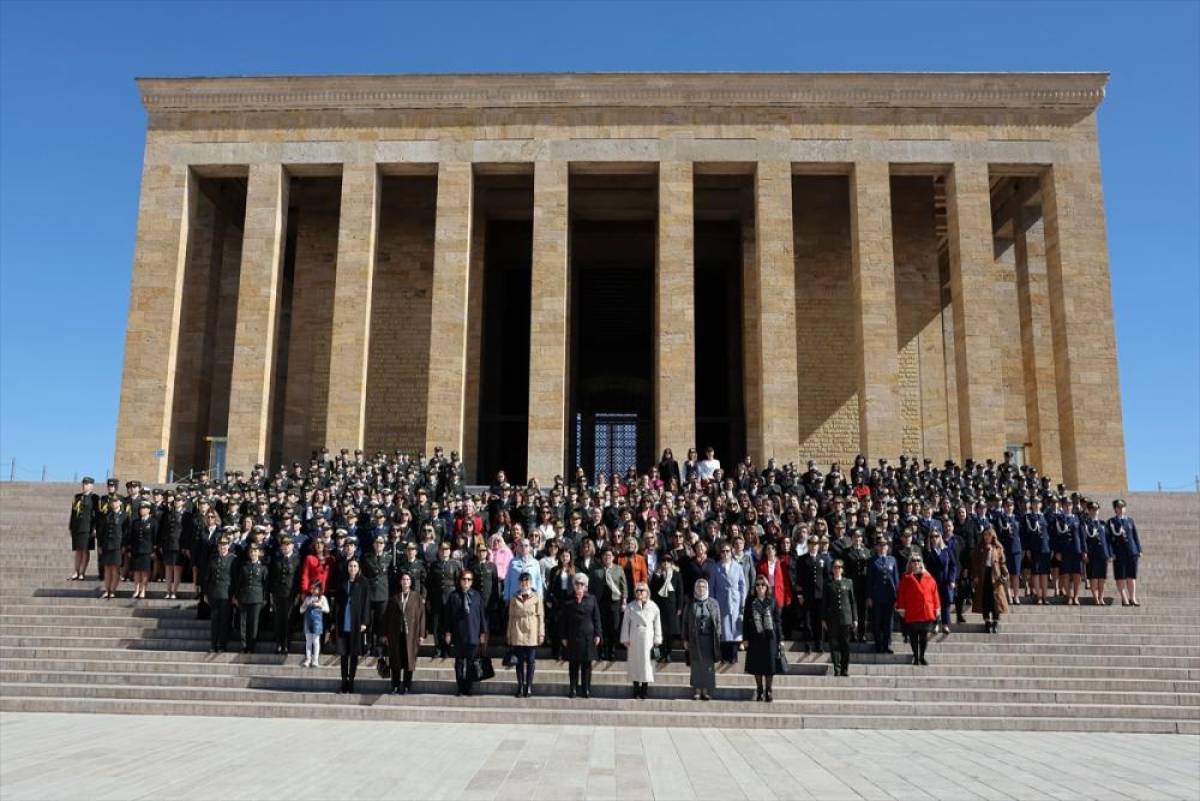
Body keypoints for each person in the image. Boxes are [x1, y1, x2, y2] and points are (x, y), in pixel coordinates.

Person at [445, 569, 487, 696]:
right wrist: (448, 632)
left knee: (470, 663)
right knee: (459, 662)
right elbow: (448, 617)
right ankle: (460, 687)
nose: (466, 582)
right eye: (464, 579)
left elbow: (482, 615)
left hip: (473, 633)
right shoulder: (454, 596)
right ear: (460, 581)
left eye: (469, 580)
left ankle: (468, 687)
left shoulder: (477, 595)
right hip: (459, 634)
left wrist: (483, 632)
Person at [382, 571, 425, 694]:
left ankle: (407, 686)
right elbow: (387, 617)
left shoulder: (417, 598)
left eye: (408, 579)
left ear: (411, 582)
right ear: (400, 582)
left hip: (411, 635)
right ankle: (395, 685)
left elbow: (422, 617)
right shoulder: (394, 598)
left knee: (409, 661)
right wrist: (385, 634)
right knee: (396, 661)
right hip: (396, 634)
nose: (405, 582)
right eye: (403, 579)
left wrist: (422, 634)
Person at [560, 573, 601, 698]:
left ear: (586, 586)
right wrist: (563, 636)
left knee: (586, 665)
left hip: (588, 636)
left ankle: (586, 689)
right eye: (577, 584)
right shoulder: (568, 599)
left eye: (582, 584)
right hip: (573, 635)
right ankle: (573, 689)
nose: (579, 586)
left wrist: (598, 634)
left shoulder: (592, 599)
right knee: (573, 664)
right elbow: (563, 620)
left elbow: (596, 618)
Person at [620, 582, 662, 700]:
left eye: (642, 590)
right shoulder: (630, 606)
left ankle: (644, 690)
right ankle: (636, 690)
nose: (640, 593)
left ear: (647, 592)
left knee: (647, 665)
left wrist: (657, 639)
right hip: (634, 638)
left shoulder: (653, 606)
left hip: (648, 639)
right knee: (635, 664)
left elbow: (657, 624)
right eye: (638, 590)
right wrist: (625, 638)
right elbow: (625, 624)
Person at [743, 574, 783, 701]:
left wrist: (781, 639)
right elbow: (745, 621)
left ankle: (769, 690)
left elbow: (777, 621)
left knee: (770, 666)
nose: (760, 587)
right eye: (758, 585)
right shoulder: (750, 601)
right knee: (757, 665)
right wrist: (745, 638)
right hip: (755, 637)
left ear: (767, 587)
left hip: (770, 637)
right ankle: (759, 690)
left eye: (763, 585)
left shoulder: (772, 601)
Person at [506, 571, 545, 698]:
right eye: (522, 581)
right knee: (519, 661)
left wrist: (541, 632)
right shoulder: (514, 597)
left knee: (531, 661)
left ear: (531, 582)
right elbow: (511, 617)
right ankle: (520, 686)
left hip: (532, 629)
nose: (525, 583)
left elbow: (540, 616)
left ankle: (528, 686)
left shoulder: (536, 597)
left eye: (527, 581)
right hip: (517, 629)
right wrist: (509, 634)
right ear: (519, 583)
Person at [896, 556, 940, 666]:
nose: (916, 562)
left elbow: (935, 595)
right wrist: (901, 608)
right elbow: (901, 595)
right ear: (910, 564)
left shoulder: (929, 578)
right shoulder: (906, 578)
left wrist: (937, 608)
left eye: (918, 560)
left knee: (924, 636)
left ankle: (922, 656)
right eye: (913, 561)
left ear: (921, 563)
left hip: (926, 610)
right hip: (912, 610)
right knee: (913, 636)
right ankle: (915, 656)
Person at [682, 578, 721, 701]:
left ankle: (706, 690)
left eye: (703, 586)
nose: (701, 589)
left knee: (708, 665)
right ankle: (697, 690)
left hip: (709, 639)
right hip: (695, 638)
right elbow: (685, 622)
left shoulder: (714, 603)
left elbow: (718, 621)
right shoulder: (690, 603)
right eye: (698, 586)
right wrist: (685, 639)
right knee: (696, 665)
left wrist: (718, 636)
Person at [334, 558, 370, 693]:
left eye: (355, 566)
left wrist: (365, 622)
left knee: (354, 654)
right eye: (350, 566)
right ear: (347, 568)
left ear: (359, 568)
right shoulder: (343, 583)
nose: (353, 568)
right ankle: (343, 681)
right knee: (343, 654)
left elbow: (366, 603)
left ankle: (351, 681)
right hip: (344, 622)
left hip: (356, 623)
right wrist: (334, 622)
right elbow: (337, 604)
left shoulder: (363, 583)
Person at [712, 542, 747, 665]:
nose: (725, 553)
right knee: (724, 629)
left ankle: (733, 656)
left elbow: (742, 585)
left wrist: (742, 600)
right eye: (723, 551)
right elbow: (712, 587)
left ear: (731, 552)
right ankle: (724, 656)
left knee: (734, 629)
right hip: (721, 601)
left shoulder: (737, 566)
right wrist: (713, 603)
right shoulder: (716, 567)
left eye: (727, 551)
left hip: (734, 601)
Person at [971, 525, 1010, 633]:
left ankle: (996, 622)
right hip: (983, 575)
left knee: (996, 600)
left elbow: (1002, 563)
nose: (987, 537)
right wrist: (975, 576)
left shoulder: (998, 548)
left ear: (993, 536)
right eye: (985, 535)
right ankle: (987, 621)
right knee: (985, 599)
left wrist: (1005, 573)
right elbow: (975, 564)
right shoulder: (979, 548)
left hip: (995, 576)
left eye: (989, 535)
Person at [823, 559, 857, 677]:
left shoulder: (848, 582)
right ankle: (837, 668)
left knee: (845, 645)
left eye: (839, 567)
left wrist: (855, 618)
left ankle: (845, 668)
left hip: (846, 618)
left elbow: (852, 602)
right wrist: (823, 619)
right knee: (834, 645)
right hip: (832, 618)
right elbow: (825, 603)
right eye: (835, 567)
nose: (837, 570)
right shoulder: (828, 584)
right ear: (832, 570)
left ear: (842, 569)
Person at [361, 534, 393, 654]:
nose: (378, 545)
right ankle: (368, 645)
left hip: (383, 593)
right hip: (370, 593)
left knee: (381, 621)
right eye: (377, 543)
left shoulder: (389, 558)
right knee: (368, 621)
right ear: (373, 544)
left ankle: (379, 646)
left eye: (381, 543)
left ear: (384, 545)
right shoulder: (367, 558)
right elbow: (364, 575)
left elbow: (390, 576)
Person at [233, 543, 269, 653]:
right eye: (251, 551)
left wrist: (265, 598)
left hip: (257, 598)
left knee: (253, 623)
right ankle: (244, 645)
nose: (253, 553)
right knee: (243, 623)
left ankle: (252, 646)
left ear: (259, 553)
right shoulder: (244, 566)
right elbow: (239, 583)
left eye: (255, 551)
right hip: (244, 597)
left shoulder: (263, 568)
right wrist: (236, 596)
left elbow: (265, 585)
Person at [269, 535, 301, 655]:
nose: (286, 547)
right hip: (278, 594)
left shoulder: (297, 559)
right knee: (278, 620)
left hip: (290, 594)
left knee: (288, 620)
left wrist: (298, 594)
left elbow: (298, 578)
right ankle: (279, 644)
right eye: (284, 545)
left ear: (292, 546)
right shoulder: (277, 559)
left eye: (288, 545)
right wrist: (271, 594)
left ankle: (286, 644)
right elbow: (272, 577)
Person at [650, 552, 683, 664]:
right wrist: (658, 577)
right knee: (658, 632)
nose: (666, 563)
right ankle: (658, 655)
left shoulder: (676, 574)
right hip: (658, 606)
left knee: (669, 633)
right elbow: (652, 592)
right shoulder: (656, 574)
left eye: (668, 561)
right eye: (663, 561)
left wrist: (679, 607)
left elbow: (680, 592)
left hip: (671, 607)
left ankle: (668, 653)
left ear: (671, 562)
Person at [923, 530, 958, 634]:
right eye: (932, 537)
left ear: (940, 538)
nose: (934, 539)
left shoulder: (946, 550)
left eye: (936, 536)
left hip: (945, 581)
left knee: (945, 603)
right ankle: (935, 624)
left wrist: (952, 579)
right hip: (932, 582)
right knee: (934, 604)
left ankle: (945, 624)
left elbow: (953, 565)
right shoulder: (927, 551)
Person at [1108, 499, 1142, 606]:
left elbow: (1135, 536)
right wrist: (1111, 553)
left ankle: (1133, 598)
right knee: (1120, 577)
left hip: (1131, 552)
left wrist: (1139, 549)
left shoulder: (1130, 520)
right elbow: (1109, 539)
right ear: (1115, 509)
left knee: (1131, 576)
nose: (1121, 509)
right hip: (1119, 553)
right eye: (1118, 507)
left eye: (1123, 507)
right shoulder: (1111, 522)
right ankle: (1124, 598)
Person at [96, 493, 129, 600]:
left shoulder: (124, 516)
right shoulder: (107, 515)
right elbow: (102, 532)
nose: (113, 503)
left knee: (115, 569)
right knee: (107, 569)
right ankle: (107, 590)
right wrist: (100, 545)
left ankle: (113, 590)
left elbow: (126, 532)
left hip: (117, 546)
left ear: (120, 502)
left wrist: (124, 545)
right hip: (107, 545)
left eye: (115, 501)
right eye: (112, 501)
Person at [206, 536, 236, 653]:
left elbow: (235, 579)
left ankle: (222, 644)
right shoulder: (213, 559)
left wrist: (234, 595)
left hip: (226, 594)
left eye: (225, 545)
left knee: (224, 621)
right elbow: (208, 577)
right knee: (214, 620)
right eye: (220, 545)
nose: (222, 547)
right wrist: (206, 593)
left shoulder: (233, 559)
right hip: (214, 594)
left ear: (228, 546)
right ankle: (213, 644)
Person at [597, 548, 627, 661]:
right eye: (605, 555)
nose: (607, 557)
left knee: (614, 627)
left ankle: (612, 651)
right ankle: (602, 651)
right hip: (601, 602)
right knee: (602, 627)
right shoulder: (597, 570)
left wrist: (624, 600)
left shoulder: (619, 569)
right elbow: (592, 587)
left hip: (615, 601)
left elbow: (624, 586)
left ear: (613, 558)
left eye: (610, 555)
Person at [1082, 500, 1114, 605]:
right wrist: (1085, 552)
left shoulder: (1103, 523)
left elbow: (1108, 540)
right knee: (1093, 577)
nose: (1094, 511)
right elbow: (1083, 539)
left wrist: (1109, 553)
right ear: (1088, 510)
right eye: (1092, 509)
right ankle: (1095, 598)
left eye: (1096, 509)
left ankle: (1101, 597)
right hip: (1092, 554)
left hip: (1103, 553)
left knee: (1102, 577)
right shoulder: (1085, 523)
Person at [68, 477, 98, 582]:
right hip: (77, 526)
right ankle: (75, 571)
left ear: (92, 486)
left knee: (85, 550)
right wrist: (71, 526)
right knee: (78, 550)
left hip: (87, 527)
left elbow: (96, 515)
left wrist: (95, 528)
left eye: (87, 484)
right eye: (84, 483)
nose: (85, 485)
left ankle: (82, 572)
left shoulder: (94, 498)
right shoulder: (77, 497)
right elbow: (73, 512)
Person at [126, 501, 157, 599]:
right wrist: (130, 549)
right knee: (136, 571)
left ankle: (143, 590)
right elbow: (132, 536)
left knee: (144, 571)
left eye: (144, 508)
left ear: (148, 510)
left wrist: (153, 550)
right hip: (136, 549)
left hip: (147, 550)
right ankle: (136, 589)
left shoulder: (153, 522)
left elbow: (155, 537)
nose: (142, 510)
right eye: (141, 508)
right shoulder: (136, 522)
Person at [299, 581, 330, 668]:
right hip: (308, 622)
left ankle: (315, 660)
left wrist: (320, 606)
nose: (313, 590)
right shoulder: (308, 598)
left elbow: (327, 610)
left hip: (317, 622)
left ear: (319, 589)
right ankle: (308, 659)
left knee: (316, 641)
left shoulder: (322, 598)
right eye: (311, 588)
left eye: (315, 588)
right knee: (308, 642)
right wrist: (305, 605)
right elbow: (301, 610)